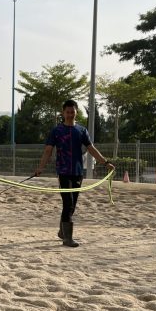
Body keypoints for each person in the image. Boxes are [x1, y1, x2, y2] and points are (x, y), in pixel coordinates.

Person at [33, 100, 114, 247]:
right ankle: (67, 239)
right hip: (63, 172)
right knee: (68, 203)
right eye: (67, 112)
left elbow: (91, 149)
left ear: (76, 112)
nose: (70, 114)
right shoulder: (56, 131)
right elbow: (48, 150)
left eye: (73, 111)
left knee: (72, 205)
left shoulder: (82, 131)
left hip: (78, 172)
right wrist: (40, 167)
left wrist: (105, 162)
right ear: (63, 113)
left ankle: (62, 231)